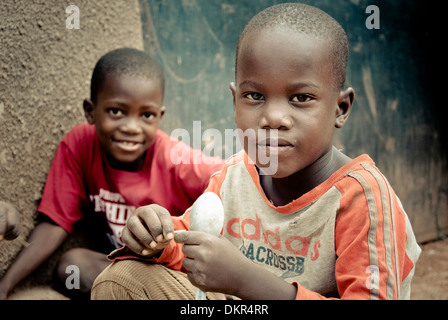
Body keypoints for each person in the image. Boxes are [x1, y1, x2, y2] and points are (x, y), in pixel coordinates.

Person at [91, 4, 421, 300]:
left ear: (340, 108)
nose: (272, 118)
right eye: (255, 96)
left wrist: (248, 282)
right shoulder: (234, 177)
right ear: (235, 102)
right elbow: (189, 247)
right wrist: (154, 238)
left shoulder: (361, 198)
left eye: (301, 98)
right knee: (120, 281)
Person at [0, 48, 223, 300]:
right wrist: (5, 287)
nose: (130, 127)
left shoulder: (175, 158)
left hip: (174, 277)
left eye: (146, 115)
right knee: (71, 266)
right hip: (125, 269)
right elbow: (54, 223)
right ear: (90, 111)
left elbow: (231, 177)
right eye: (116, 111)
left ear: (159, 117)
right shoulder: (80, 145)